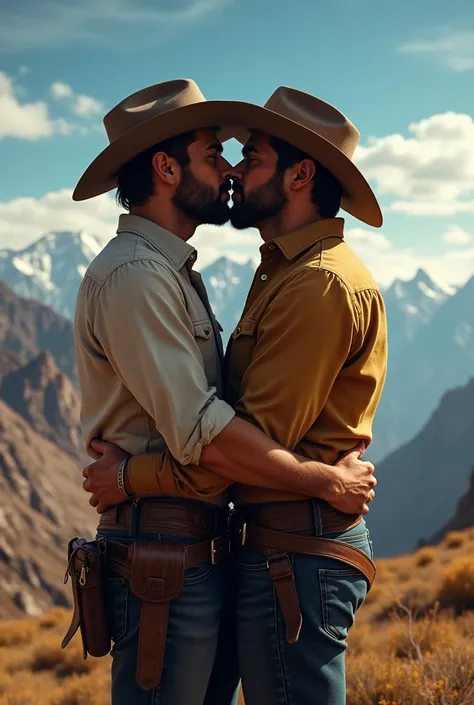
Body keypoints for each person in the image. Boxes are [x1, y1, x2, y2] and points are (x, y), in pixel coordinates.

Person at [74, 79, 377, 705]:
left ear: (298, 177)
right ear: (164, 168)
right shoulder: (140, 275)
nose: (231, 169)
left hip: (237, 546)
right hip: (174, 552)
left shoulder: (306, 282)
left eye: (247, 156)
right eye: (215, 154)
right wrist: (324, 480)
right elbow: (209, 438)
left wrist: (133, 477)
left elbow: (233, 442)